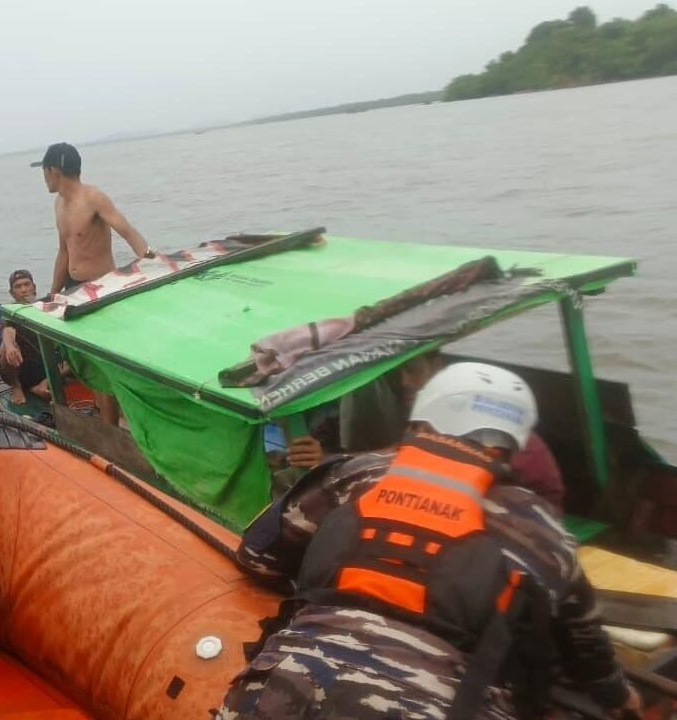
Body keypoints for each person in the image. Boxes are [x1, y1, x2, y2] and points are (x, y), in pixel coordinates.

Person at [219, 362, 640, 720]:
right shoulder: (542, 527)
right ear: (513, 444)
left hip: (283, 689)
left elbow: (258, 558)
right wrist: (620, 699)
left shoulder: (355, 473)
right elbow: (587, 650)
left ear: (422, 420)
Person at [285, 351, 565, 510]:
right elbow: (402, 452)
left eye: (414, 371)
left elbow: (402, 456)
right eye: (400, 374)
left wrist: (331, 462)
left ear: (439, 367)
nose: (406, 383)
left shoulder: (497, 442)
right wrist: (328, 457)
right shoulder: (436, 417)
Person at [38, 142, 154, 427]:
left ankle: (113, 428)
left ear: (54, 170)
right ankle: (108, 423)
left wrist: (152, 259)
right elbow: (64, 252)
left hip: (101, 288)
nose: (43, 177)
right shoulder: (59, 204)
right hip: (74, 289)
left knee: (106, 365)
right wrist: (53, 293)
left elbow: (126, 230)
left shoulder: (93, 198)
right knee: (88, 365)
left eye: (44, 170)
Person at [0, 269, 50, 405]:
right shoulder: (10, 314)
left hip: (46, 367)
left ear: (34, 288)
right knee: (6, 349)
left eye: (27, 285)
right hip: (22, 370)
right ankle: (16, 387)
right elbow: (8, 331)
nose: (24, 290)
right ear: (12, 293)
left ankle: (43, 385)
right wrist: (9, 346)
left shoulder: (44, 308)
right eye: (18, 287)